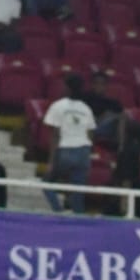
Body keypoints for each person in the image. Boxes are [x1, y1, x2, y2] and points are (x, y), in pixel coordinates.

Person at [42, 74, 96, 214]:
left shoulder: (58, 106)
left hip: (66, 149)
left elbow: (55, 135)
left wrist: (51, 162)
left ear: (67, 88)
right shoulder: (86, 109)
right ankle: (79, 219)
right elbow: (90, 135)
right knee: (78, 191)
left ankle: (58, 211)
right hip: (83, 151)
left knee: (46, 182)